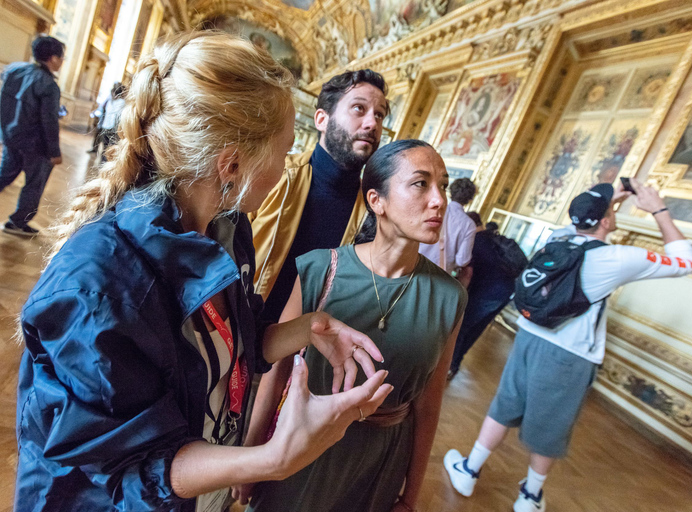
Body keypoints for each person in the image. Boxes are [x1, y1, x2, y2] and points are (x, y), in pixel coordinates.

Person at [14, 32, 394, 512]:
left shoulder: (226, 228)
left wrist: (306, 328)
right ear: (231, 164)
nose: (283, 170)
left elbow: (229, 342)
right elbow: (125, 474)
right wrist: (273, 459)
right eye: (281, 154)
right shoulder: (102, 285)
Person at [444, 179, 692, 512]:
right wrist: (659, 211)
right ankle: (530, 496)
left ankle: (470, 469)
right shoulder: (618, 258)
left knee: (505, 404)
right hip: (570, 353)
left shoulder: (558, 240)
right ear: (607, 220)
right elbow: (687, 262)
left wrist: (603, 201)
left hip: (529, 335)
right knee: (552, 423)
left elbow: (578, 224)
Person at [244, 140, 467, 512]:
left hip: (379, 460)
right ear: (376, 200)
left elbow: (429, 404)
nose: (439, 200)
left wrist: (409, 498)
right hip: (303, 442)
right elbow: (278, 369)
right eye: (421, 184)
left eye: (442, 185)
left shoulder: (449, 298)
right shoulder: (320, 268)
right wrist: (253, 456)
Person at [249, 69, 389, 323]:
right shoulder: (273, 175)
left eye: (379, 115)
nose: (372, 124)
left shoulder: (372, 213)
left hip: (302, 351)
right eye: (359, 108)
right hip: (235, 331)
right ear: (322, 119)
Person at [0, 35, 65, 237]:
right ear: (53, 58)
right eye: (62, 57)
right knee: (34, 184)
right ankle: (18, 223)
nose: (63, 62)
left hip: (11, 137)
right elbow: (48, 121)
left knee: (4, 175)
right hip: (35, 146)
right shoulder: (49, 85)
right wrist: (54, 152)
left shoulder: (14, 70)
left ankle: (18, 221)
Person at [447, 223, 526, 380]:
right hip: (505, 291)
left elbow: (467, 272)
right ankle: (454, 365)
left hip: (487, 292)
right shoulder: (490, 240)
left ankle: (450, 366)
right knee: (475, 329)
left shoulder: (475, 240)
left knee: (462, 326)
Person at [419, 177, 477, 275]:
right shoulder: (469, 224)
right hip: (438, 275)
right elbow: (462, 260)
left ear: (450, 192)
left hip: (415, 264)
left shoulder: (433, 209)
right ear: (470, 199)